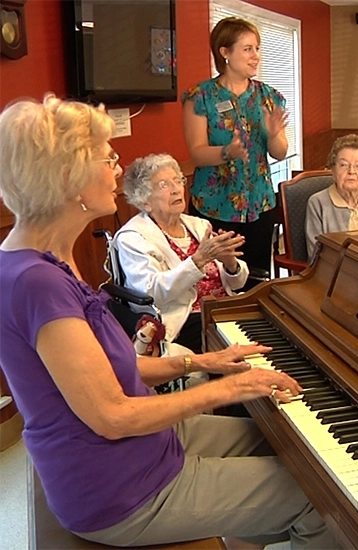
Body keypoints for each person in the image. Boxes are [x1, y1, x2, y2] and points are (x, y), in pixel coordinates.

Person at [0, 95, 335, 548]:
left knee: (288, 443)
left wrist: (202, 362)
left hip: (142, 449)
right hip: (115, 486)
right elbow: (112, 415)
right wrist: (228, 389)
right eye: (108, 159)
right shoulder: (36, 282)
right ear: (68, 177)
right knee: (321, 496)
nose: (118, 170)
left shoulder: (48, 258)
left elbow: (111, 369)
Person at [182, 16, 287, 281]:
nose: (256, 56)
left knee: (255, 281)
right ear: (225, 52)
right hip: (215, 206)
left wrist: (274, 134)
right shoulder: (200, 96)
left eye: (257, 48)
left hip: (259, 206)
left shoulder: (269, 97)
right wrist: (226, 152)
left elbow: (280, 152)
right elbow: (196, 152)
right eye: (248, 49)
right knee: (217, 280)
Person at [115, 154, 249, 354]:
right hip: (184, 321)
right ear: (145, 201)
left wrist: (230, 263)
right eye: (164, 185)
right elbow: (151, 293)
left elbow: (238, 283)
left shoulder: (199, 225)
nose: (176, 189)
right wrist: (198, 260)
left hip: (225, 309)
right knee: (240, 348)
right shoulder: (132, 237)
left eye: (178, 180)